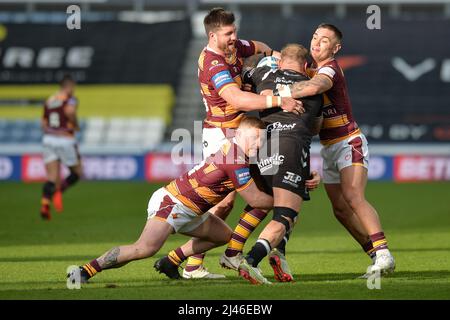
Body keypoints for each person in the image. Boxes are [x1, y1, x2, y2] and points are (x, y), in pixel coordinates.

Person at [67, 117, 275, 283]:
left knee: (223, 235)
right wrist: (286, 202)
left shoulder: (238, 152)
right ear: (238, 134)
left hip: (191, 209)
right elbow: (255, 199)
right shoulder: (235, 159)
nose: (258, 144)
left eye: (261, 140)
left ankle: (170, 262)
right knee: (144, 248)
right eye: (253, 138)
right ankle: (84, 271)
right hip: (173, 203)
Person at [178, 7, 302, 279]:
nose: (235, 37)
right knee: (222, 202)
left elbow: (262, 47)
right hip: (221, 135)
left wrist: (276, 60)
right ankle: (191, 263)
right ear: (212, 36)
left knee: (262, 193)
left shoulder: (235, 47)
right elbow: (237, 100)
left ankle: (231, 254)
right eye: (228, 33)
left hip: (244, 134)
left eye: (235, 31)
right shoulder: (213, 63)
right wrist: (279, 99)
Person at [273, 24, 395, 276]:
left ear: (335, 48)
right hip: (328, 147)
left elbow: (313, 88)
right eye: (315, 37)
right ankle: (376, 256)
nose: (317, 43)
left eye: (325, 40)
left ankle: (384, 254)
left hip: (349, 141)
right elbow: (278, 56)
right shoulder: (307, 69)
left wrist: (276, 93)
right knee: (340, 209)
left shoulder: (329, 68)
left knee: (353, 197)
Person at [226, 44, 323, 284]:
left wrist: (263, 57)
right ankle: (252, 260)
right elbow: (315, 128)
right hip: (292, 144)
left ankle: (270, 253)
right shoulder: (312, 87)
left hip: (263, 143)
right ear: (306, 66)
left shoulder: (263, 74)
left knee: (274, 202)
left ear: (280, 63)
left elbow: (245, 67)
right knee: (286, 213)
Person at [40, 74, 82, 220]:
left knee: (51, 177)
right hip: (64, 138)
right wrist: (75, 124)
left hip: (48, 138)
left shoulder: (50, 99)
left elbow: (43, 123)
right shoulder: (70, 98)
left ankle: (45, 202)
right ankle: (59, 191)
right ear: (69, 86)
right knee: (77, 173)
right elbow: (70, 111)